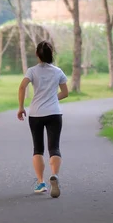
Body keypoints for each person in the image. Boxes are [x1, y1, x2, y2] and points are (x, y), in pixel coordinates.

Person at [17, 41, 69, 198]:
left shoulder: (32, 71)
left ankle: (41, 183)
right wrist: (52, 98)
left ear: (37, 55)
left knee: (38, 149)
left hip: (35, 114)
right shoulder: (58, 71)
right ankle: (55, 176)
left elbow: (22, 87)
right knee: (54, 148)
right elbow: (65, 92)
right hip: (54, 113)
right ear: (51, 54)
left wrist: (21, 107)